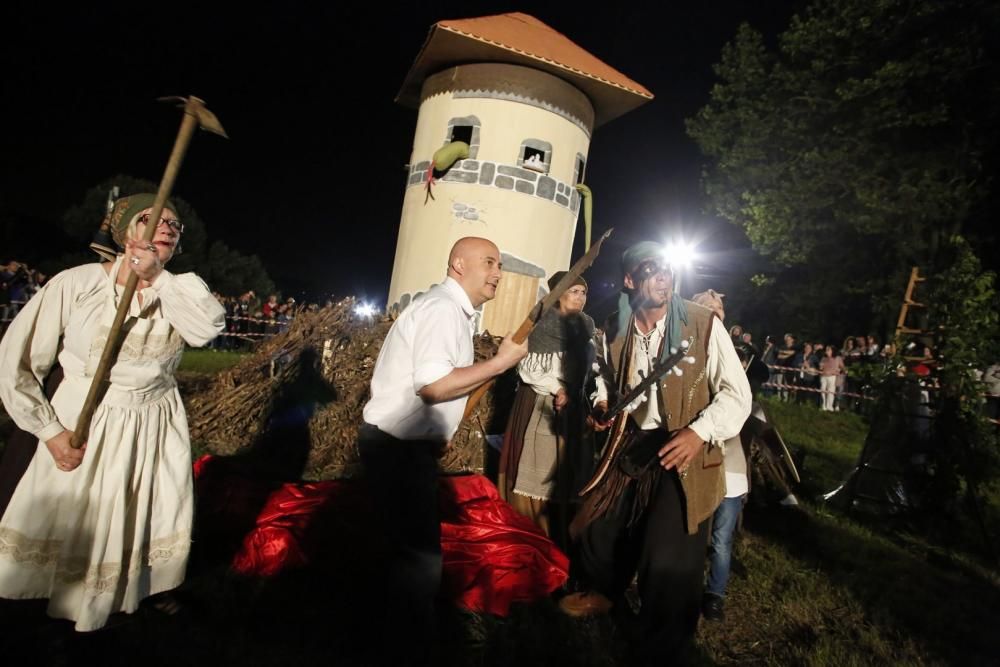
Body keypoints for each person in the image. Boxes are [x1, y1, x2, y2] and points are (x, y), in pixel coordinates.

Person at [0, 193, 225, 631]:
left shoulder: (179, 289)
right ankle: (44, 616)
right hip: (87, 419)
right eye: (152, 218)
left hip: (152, 424)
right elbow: (18, 362)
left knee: (137, 515)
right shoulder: (78, 284)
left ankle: (129, 594)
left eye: (175, 226)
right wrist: (49, 431)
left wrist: (157, 278)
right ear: (125, 234)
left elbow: (205, 330)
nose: (167, 226)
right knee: (72, 517)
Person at [559, 241, 751, 665]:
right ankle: (607, 593)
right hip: (633, 442)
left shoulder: (701, 325)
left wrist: (699, 433)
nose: (663, 276)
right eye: (651, 269)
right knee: (596, 524)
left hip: (685, 447)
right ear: (630, 280)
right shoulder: (614, 326)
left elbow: (738, 396)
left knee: (667, 556)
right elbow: (602, 380)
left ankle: (663, 644)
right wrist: (600, 405)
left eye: (666, 269)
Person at [359, 236, 528, 666]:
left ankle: (387, 638)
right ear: (458, 264)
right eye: (489, 262)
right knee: (419, 562)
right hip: (396, 451)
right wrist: (499, 363)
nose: (498, 273)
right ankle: (407, 649)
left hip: (402, 446)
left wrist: (437, 429)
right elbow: (433, 385)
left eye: (500, 264)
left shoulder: (451, 311)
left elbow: (433, 389)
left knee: (404, 555)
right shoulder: (442, 311)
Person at [498, 271, 595, 546]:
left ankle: (561, 541)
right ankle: (531, 538)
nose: (579, 297)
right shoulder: (541, 325)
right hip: (541, 403)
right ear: (558, 294)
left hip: (574, 409)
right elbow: (527, 368)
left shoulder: (587, 328)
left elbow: (592, 369)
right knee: (539, 470)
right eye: (573, 291)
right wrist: (558, 388)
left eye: (583, 292)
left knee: (569, 474)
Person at [689, 289, 749, 623]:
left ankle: (714, 595)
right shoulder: (688, 349)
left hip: (729, 463)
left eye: (720, 307)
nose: (716, 311)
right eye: (708, 306)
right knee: (690, 533)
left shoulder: (731, 350)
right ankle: (681, 586)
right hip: (695, 460)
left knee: (721, 539)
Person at [819, 344, 846, 411]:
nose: (826, 351)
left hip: (832, 377)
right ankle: (823, 406)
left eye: (828, 350)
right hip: (823, 376)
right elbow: (821, 368)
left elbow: (842, 367)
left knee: (831, 392)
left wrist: (842, 371)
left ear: (832, 351)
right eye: (826, 350)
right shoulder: (824, 358)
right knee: (823, 391)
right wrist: (821, 366)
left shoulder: (837, 358)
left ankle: (829, 407)